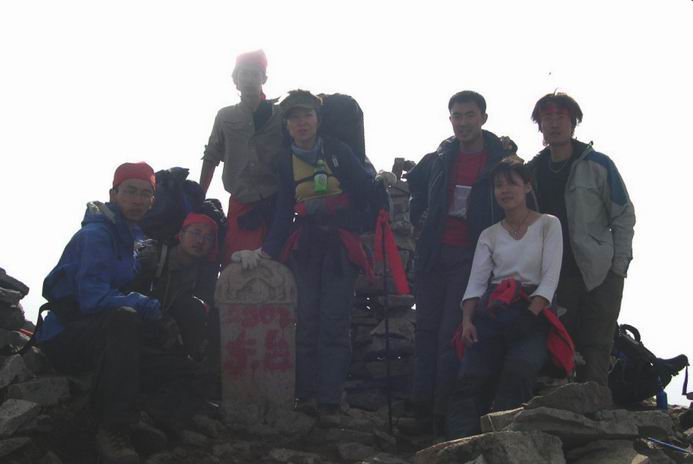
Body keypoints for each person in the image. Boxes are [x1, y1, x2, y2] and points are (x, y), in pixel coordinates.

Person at [261, 90, 387, 423]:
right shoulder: (285, 161)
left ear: (318, 119)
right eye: (294, 117)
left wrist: (379, 194)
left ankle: (329, 400)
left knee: (334, 323)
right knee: (306, 323)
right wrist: (267, 250)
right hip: (305, 247)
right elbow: (283, 208)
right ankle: (306, 396)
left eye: (307, 115)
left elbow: (364, 188)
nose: (301, 123)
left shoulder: (337, 151)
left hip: (339, 247)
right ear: (287, 125)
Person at [36, 162, 167, 464]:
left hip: (93, 331)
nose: (137, 200)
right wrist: (144, 304)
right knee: (126, 319)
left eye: (145, 194)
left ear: (152, 201)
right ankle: (113, 430)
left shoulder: (130, 239)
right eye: (130, 191)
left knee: (153, 337)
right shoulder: (97, 235)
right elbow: (93, 299)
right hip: (64, 336)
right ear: (113, 194)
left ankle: (136, 416)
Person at [405, 90, 512, 433]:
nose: (463, 122)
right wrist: (418, 217)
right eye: (457, 116)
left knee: (450, 334)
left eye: (470, 115)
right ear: (450, 119)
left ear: (483, 117)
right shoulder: (441, 156)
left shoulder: (499, 161)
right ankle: (421, 408)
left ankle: (442, 413)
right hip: (433, 253)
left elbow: (519, 199)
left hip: (472, 255)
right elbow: (415, 186)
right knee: (425, 331)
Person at [447, 157, 565, 439]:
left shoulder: (548, 224)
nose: (505, 190)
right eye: (499, 185)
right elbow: (477, 282)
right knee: (471, 375)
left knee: (520, 369)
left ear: (527, 186)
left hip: (531, 309)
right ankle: (460, 444)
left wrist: (531, 315)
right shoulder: (489, 235)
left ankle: (503, 441)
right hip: (493, 310)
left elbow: (550, 278)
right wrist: (467, 321)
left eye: (512, 183)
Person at [526, 92, 636, 386]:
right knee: (559, 341)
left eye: (561, 117)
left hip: (599, 270)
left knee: (597, 343)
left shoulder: (598, 164)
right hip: (553, 273)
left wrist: (619, 267)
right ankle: (561, 406)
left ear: (573, 123)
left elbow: (623, 214)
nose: (554, 123)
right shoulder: (532, 171)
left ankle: (595, 404)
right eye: (547, 118)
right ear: (539, 125)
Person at [199, 49, 283, 267]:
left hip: (276, 204)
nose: (249, 79)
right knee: (235, 266)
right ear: (235, 79)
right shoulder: (225, 116)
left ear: (264, 79)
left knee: (276, 268)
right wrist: (198, 197)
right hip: (240, 202)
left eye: (255, 74)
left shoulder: (280, 115)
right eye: (244, 73)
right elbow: (211, 157)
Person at [133, 212, 219, 361]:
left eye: (208, 237)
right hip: (139, 327)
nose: (200, 241)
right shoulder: (152, 257)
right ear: (181, 234)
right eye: (196, 232)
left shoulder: (205, 274)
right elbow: (126, 292)